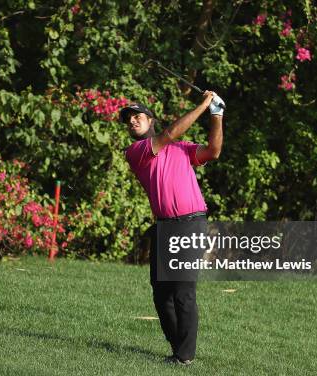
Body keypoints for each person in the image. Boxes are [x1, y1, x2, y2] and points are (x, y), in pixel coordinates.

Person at [121, 91, 224, 365]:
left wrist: (216, 115)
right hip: (164, 227)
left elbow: (213, 151)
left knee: (182, 291)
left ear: (150, 119)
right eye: (128, 119)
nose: (132, 121)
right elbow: (167, 134)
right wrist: (203, 104)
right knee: (161, 292)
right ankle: (178, 347)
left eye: (137, 116)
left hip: (191, 224)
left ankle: (184, 356)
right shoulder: (136, 151)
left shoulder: (182, 148)